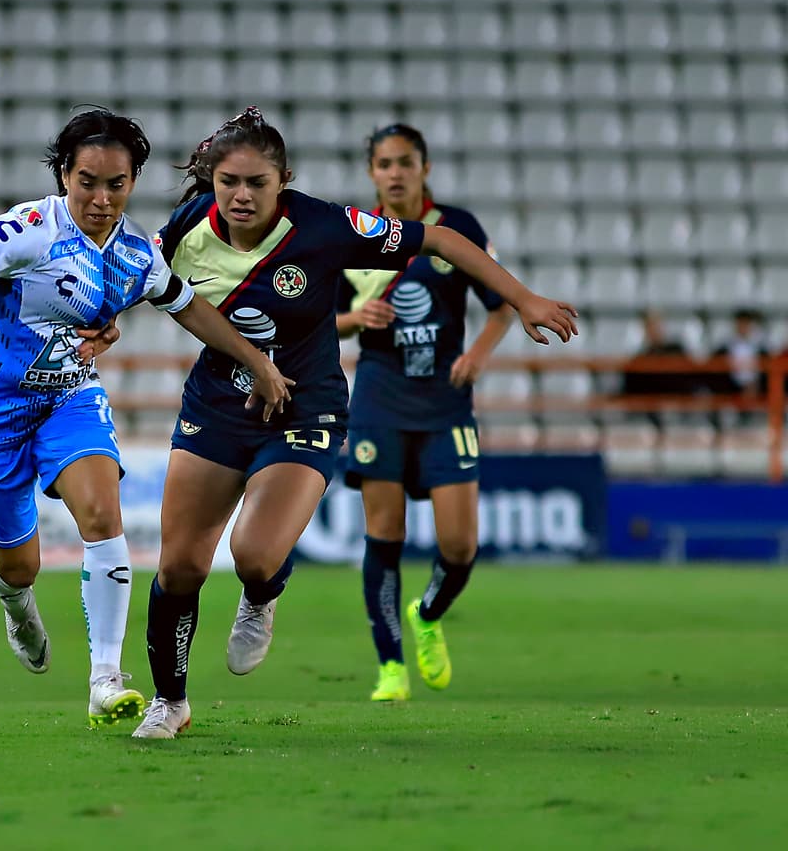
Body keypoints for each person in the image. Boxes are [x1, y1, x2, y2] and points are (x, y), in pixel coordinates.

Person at [0, 109, 291, 727]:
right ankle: (14, 598)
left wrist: (256, 361)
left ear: (132, 183)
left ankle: (104, 678)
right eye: (87, 180)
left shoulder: (137, 253)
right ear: (65, 175)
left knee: (101, 514)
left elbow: (189, 307)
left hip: (68, 395)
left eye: (116, 183)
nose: (101, 197)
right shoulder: (30, 230)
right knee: (21, 565)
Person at [131, 107, 577, 739]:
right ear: (214, 179)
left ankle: (262, 596)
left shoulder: (324, 225)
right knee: (179, 569)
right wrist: (105, 324)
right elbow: (144, 286)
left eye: (257, 182)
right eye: (229, 181)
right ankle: (169, 702)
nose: (242, 195)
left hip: (305, 407)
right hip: (217, 406)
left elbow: (443, 241)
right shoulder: (184, 229)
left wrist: (524, 298)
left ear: (282, 180)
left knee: (254, 556)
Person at [336, 123, 516, 703]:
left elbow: (501, 305)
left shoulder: (457, 229)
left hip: (445, 400)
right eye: (384, 163)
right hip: (379, 397)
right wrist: (353, 321)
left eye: (405, 162)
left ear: (424, 168)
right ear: (372, 173)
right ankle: (390, 667)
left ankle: (428, 613)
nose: (395, 173)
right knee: (383, 533)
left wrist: (478, 355)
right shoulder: (349, 235)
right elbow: (313, 318)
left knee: (460, 546)